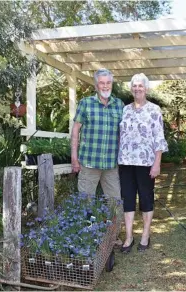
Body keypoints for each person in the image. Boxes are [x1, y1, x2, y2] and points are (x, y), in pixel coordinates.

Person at [70, 68, 125, 245]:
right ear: (96, 85)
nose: (105, 86)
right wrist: (74, 157)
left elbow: (122, 134)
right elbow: (76, 130)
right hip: (89, 162)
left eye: (108, 82)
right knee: (85, 201)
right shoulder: (85, 103)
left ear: (112, 84)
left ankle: (113, 237)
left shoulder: (119, 105)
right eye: (102, 82)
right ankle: (83, 237)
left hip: (111, 164)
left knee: (115, 202)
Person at [118, 73, 168, 253]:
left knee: (146, 198)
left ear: (146, 88)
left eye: (140, 85)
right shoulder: (125, 110)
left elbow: (159, 138)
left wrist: (157, 163)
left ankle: (145, 235)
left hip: (146, 162)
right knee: (128, 199)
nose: (137, 88)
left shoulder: (154, 110)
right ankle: (129, 236)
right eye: (134, 86)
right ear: (131, 88)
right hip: (125, 162)